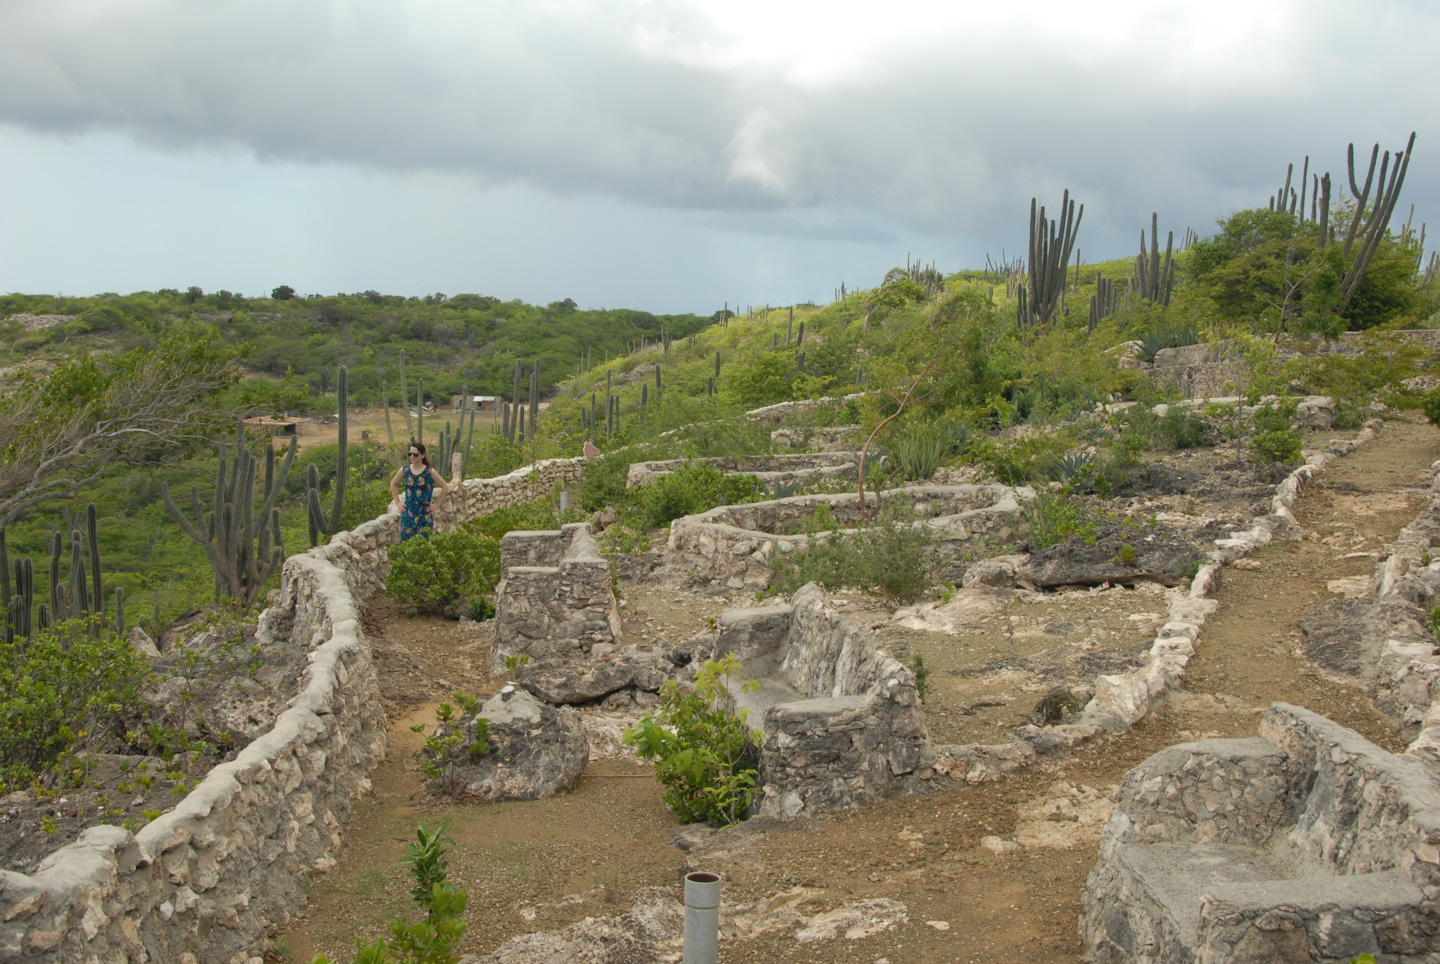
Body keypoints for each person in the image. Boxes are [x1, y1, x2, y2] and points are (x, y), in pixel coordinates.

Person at [390, 442, 450, 541]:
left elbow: (445, 487)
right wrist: (398, 502)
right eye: (410, 454)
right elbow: (393, 484)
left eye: (415, 454)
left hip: (424, 513)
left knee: (424, 542)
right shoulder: (405, 470)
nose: (412, 457)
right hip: (408, 512)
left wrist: (437, 505)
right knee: (406, 541)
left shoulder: (429, 472)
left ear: (422, 455)